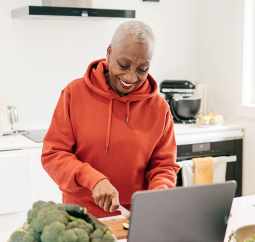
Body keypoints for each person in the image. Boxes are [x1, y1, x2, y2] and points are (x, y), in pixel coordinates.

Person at [41, 20, 180, 218]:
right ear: (108, 53)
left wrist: (156, 198)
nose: (131, 77)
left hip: (135, 214)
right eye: (123, 65)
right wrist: (92, 179)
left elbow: (164, 166)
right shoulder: (75, 93)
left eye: (142, 69)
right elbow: (53, 155)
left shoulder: (159, 107)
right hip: (80, 213)